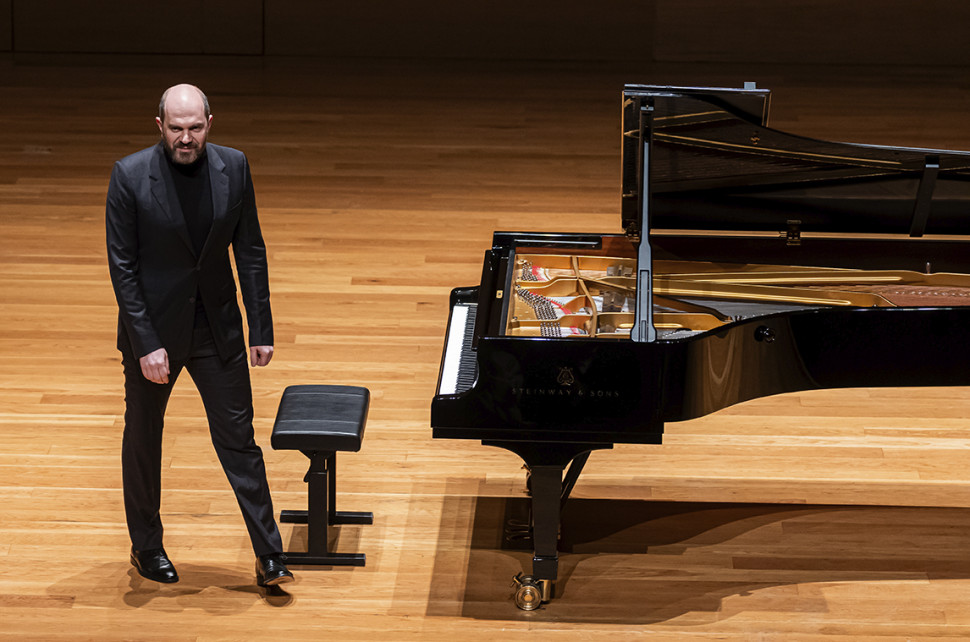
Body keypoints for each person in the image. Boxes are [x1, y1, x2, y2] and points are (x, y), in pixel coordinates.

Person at [106, 84, 292, 588]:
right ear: (159, 126)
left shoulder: (235, 166)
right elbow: (123, 269)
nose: (185, 138)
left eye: (194, 128)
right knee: (143, 440)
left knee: (239, 442)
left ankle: (269, 554)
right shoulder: (129, 175)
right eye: (175, 128)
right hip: (155, 334)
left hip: (217, 327)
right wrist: (146, 343)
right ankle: (146, 547)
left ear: (210, 123)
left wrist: (260, 327)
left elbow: (250, 249)